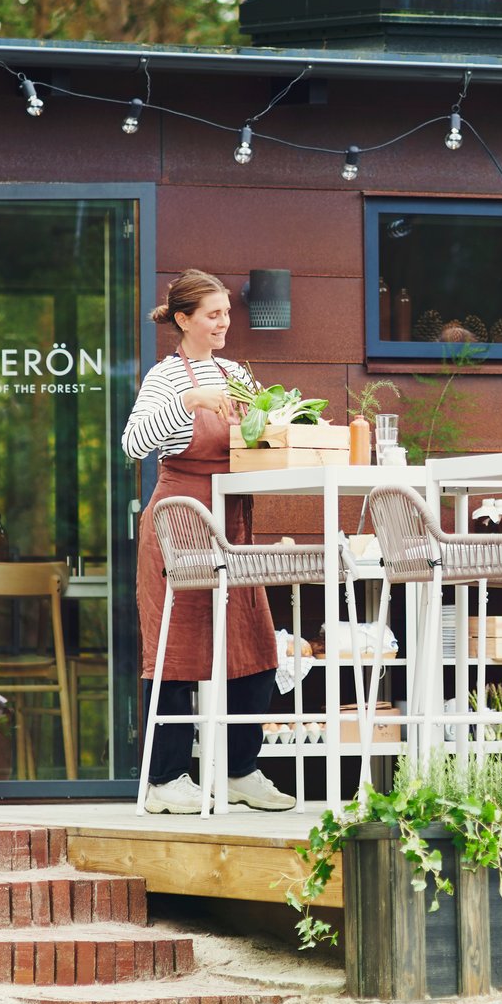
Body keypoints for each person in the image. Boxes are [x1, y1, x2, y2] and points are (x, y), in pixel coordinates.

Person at [122, 270, 294, 814]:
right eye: (213, 314)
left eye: (226, 313)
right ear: (183, 320)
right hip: (181, 524)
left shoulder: (237, 372)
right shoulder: (166, 377)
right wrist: (191, 399)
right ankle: (167, 780)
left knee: (255, 647)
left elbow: (255, 438)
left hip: (234, 525)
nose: (224, 323)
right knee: (175, 653)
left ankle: (241, 770)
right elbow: (133, 443)